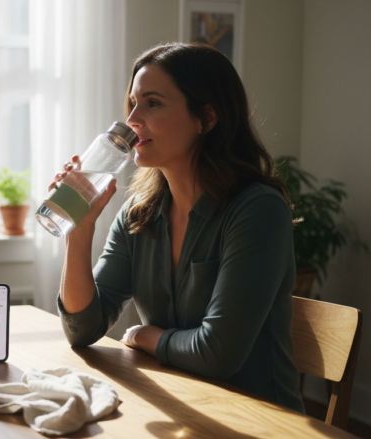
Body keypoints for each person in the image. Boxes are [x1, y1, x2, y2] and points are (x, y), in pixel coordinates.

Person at [53, 42, 305, 413]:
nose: (132, 120)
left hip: (259, 421)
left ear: (207, 117)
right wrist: (80, 231)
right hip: (178, 406)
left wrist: (147, 336)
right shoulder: (139, 213)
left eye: (152, 103)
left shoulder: (257, 210)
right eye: (133, 103)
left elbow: (217, 354)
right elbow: (82, 330)